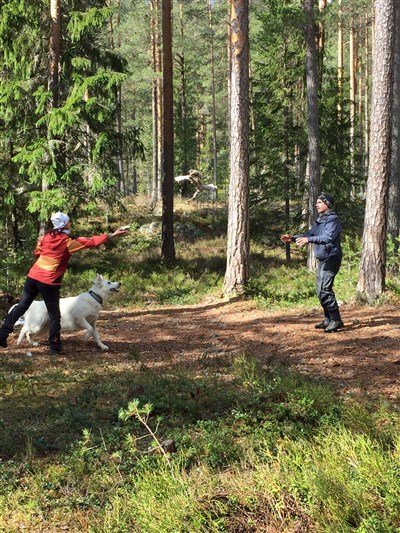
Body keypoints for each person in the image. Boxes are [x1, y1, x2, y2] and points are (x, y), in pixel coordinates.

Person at [0, 212, 129, 354]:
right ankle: (54, 347)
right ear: (65, 224)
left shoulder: (45, 237)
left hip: (33, 276)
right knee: (54, 315)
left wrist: (49, 255)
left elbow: (37, 253)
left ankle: (2, 333)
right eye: (69, 221)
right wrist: (112, 235)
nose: (71, 223)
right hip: (49, 281)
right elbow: (90, 242)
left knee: (21, 307)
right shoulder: (68, 242)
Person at [280, 192, 344, 333]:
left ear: (327, 204)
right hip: (323, 258)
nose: (316, 204)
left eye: (320, 202)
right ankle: (328, 319)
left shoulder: (333, 220)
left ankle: (337, 320)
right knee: (319, 291)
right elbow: (310, 234)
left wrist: (308, 240)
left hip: (331, 258)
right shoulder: (320, 219)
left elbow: (327, 237)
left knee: (325, 290)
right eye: (316, 202)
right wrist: (292, 238)